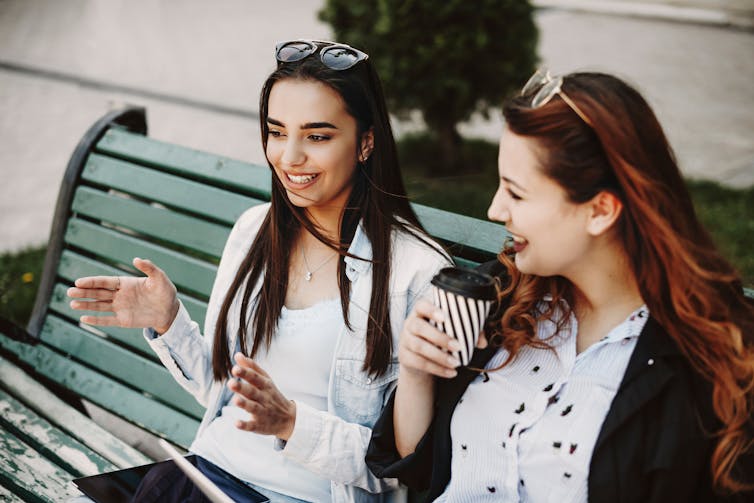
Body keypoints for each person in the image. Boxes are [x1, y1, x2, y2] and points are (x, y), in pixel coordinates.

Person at [68, 39, 450, 503]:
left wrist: (291, 423)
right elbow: (222, 394)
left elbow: (402, 470)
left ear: (366, 142)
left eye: (317, 136)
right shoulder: (255, 230)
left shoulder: (416, 273)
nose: (289, 157)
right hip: (207, 476)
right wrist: (169, 322)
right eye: (276, 131)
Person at [366, 69, 754, 502]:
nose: (495, 209)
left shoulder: (702, 365)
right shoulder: (502, 298)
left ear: (600, 211)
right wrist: (418, 374)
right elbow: (417, 469)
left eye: (516, 193)